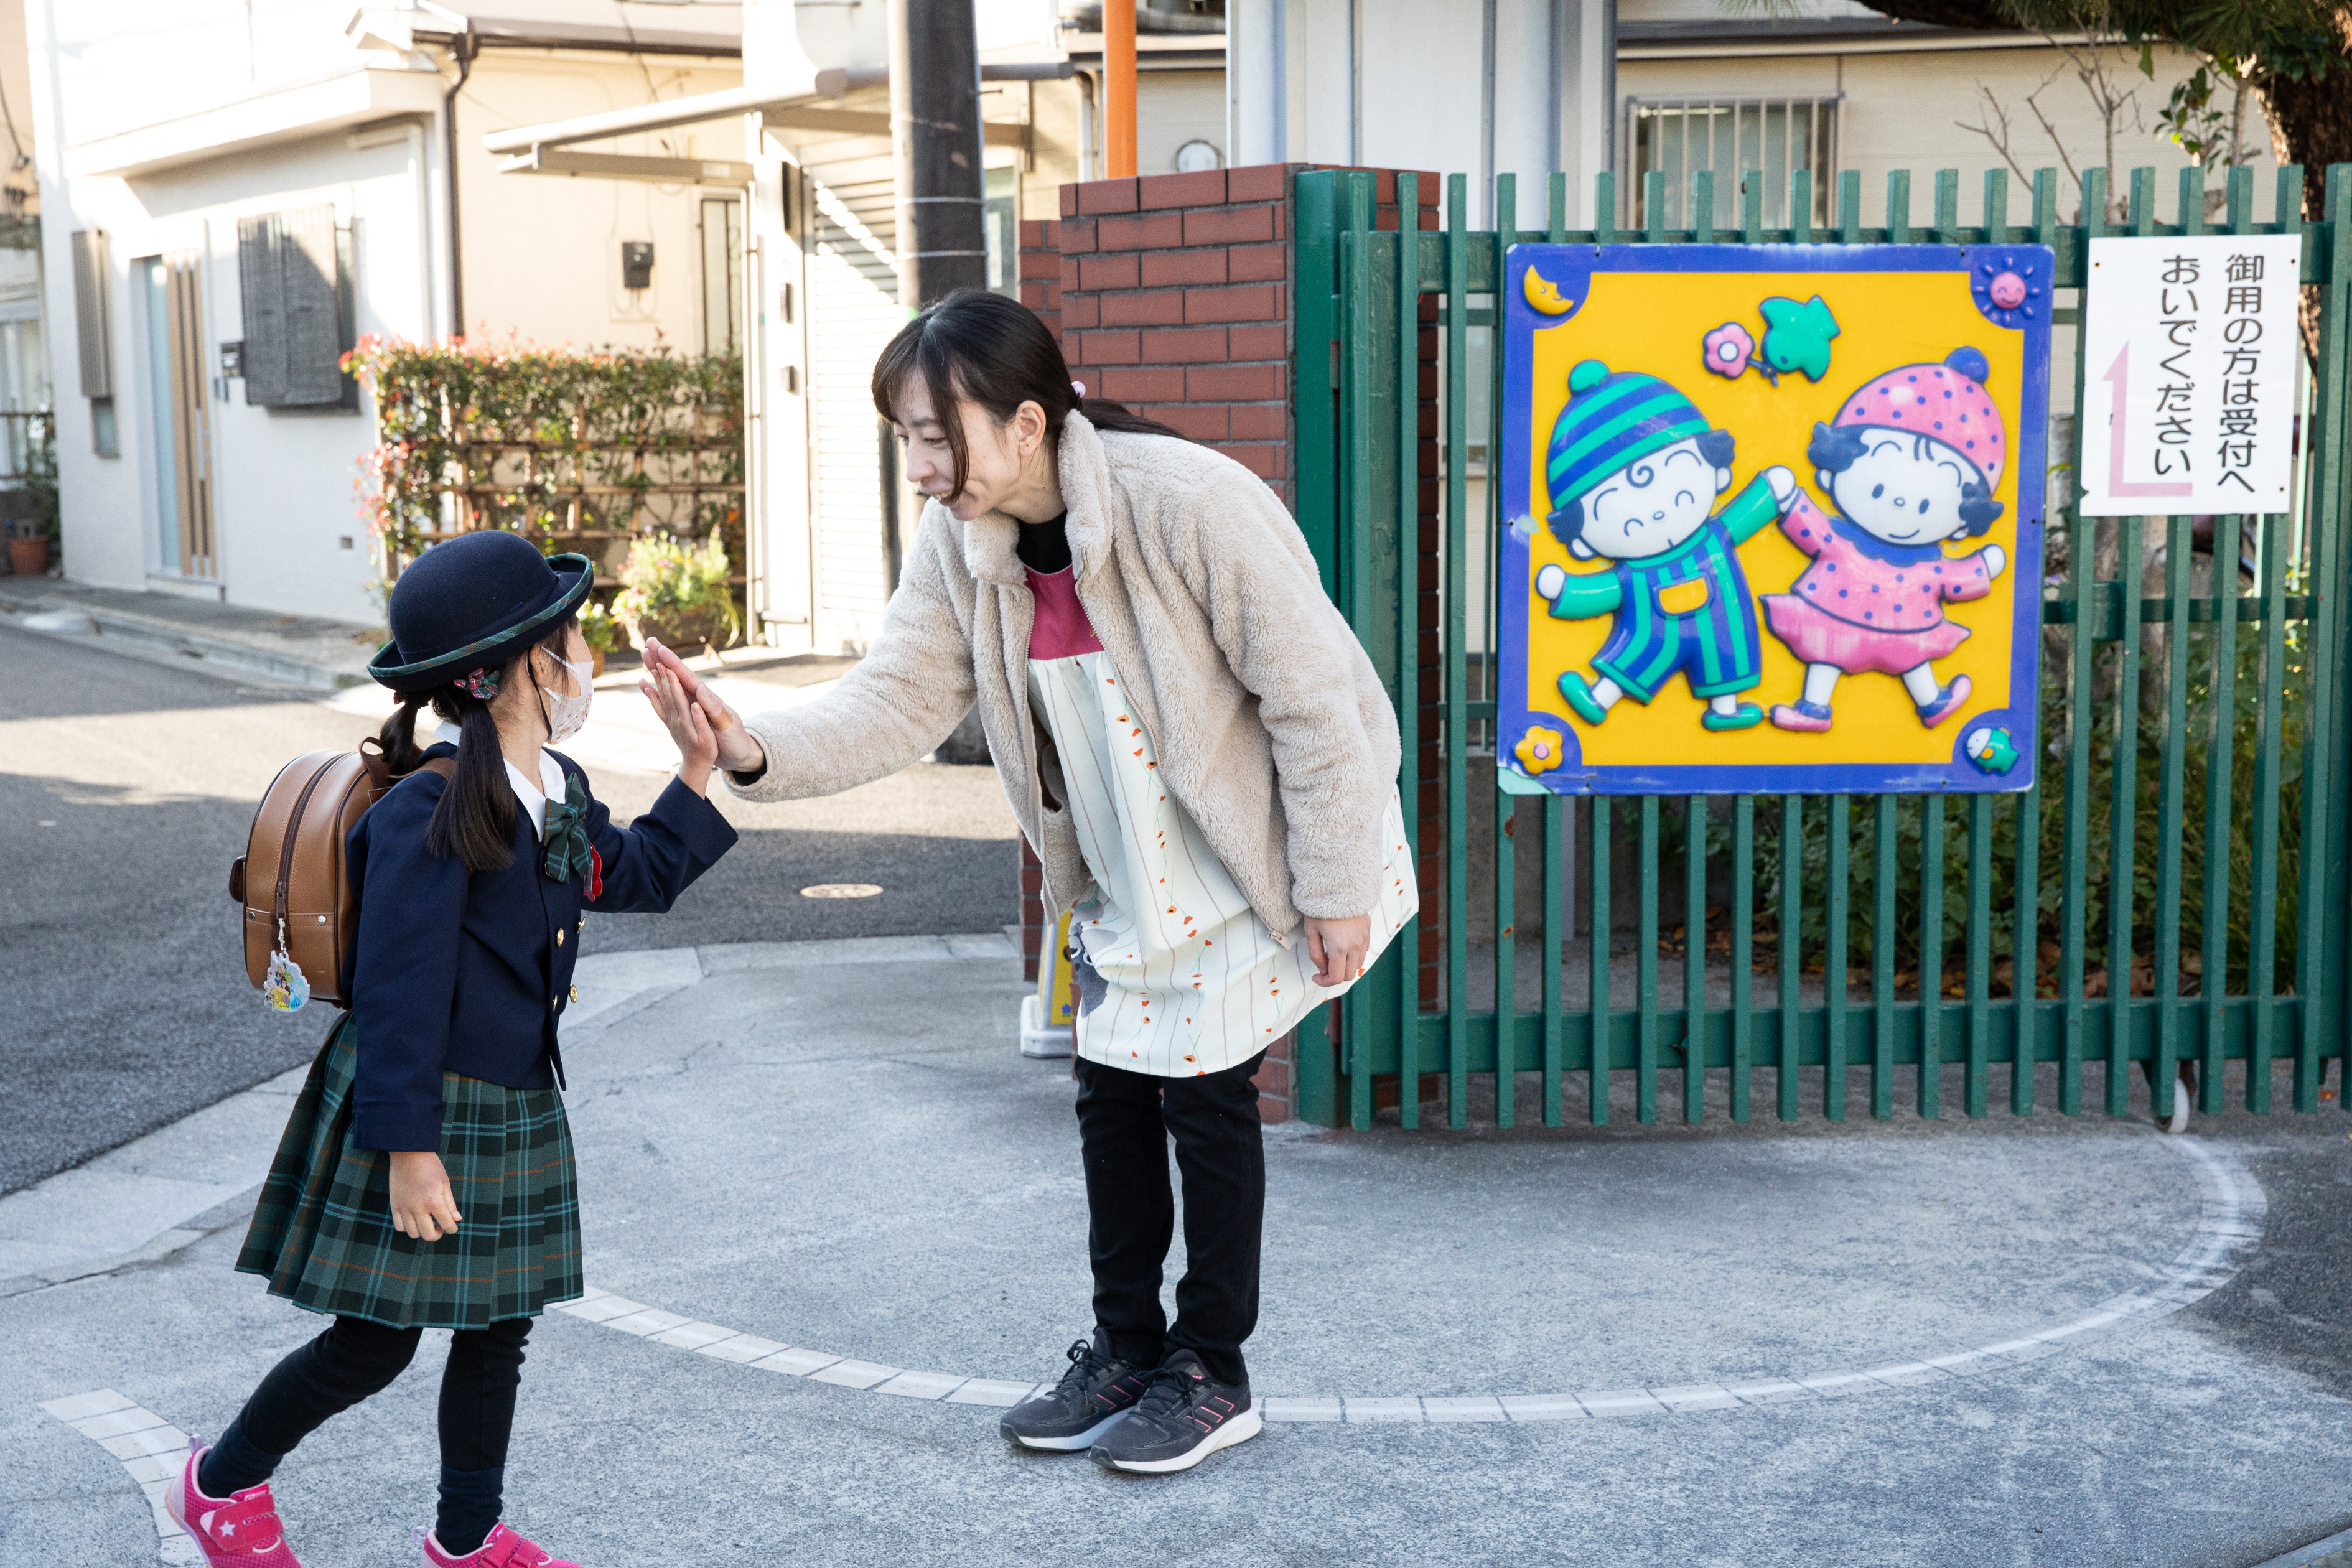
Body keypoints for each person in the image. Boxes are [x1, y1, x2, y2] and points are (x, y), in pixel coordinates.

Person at [642, 288, 1416, 1475]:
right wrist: (752, 749)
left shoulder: (1191, 505)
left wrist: (1334, 885)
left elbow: (1317, 702)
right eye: (907, 437)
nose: (921, 465)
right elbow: (897, 696)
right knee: (1110, 1094)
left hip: (1250, 848)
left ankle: (1214, 1371)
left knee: (1207, 1105)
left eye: (936, 435)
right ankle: (1125, 1349)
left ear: (1028, 425)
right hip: (1118, 862)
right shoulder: (961, 548)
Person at [169, 531, 737, 1568]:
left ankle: (466, 1540)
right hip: (424, 1101)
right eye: (569, 639)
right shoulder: (430, 809)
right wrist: (408, 1147)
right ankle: (220, 1484)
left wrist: (697, 769)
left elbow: (635, 875)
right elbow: (397, 991)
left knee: (498, 1328)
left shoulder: (554, 785)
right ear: (522, 666)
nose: (584, 661)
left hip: (516, 1097)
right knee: (376, 1340)